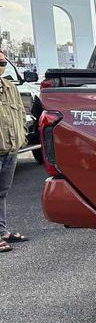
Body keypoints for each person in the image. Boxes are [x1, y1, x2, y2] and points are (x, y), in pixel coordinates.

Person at [0, 49, 29, 254]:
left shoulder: (10, 87)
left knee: (2, 192)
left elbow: (21, 114)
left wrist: (22, 137)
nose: (1, 66)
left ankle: (2, 231)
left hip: (11, 149)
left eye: (3, 63)